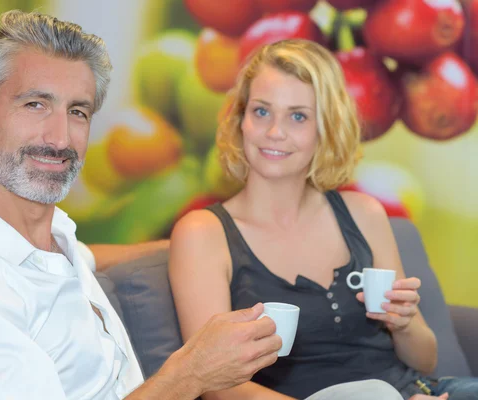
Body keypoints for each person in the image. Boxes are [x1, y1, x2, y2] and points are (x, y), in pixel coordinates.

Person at [0, 11, 403, 400]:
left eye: (78, 111)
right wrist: (190, 374)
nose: (60, 137)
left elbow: (84, 254)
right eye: (34, 103)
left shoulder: (51, 241)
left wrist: (191, 246)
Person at [169, 39, 478, 400]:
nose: (274, 132)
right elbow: (215, 385)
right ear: (240, 120)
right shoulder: (203, 233)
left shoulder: (363, 214)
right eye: (261, 111)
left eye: (298, 116)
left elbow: (425, 360)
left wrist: (404, 324)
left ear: (325, 130)